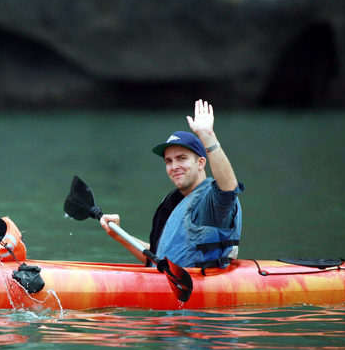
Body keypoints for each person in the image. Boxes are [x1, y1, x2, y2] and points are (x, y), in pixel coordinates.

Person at [99, 99, 243, 269]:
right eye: (169, 161)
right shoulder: (179, 202)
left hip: (196, 288)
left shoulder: (211, 202)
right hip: (173, 283)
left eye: (181, 158)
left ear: (201, 163)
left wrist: (207, 136)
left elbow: (228, 188)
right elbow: (159, 259)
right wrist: (119, 235)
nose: (174, 167)